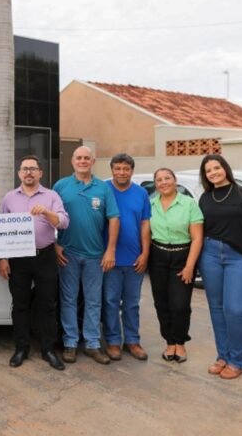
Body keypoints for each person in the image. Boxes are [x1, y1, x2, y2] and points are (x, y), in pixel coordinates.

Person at [198, 154, 242, 379]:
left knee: (235, 310)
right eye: (209, 171)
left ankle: (237, 360)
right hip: (210, 256)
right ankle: (223, 356)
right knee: (216, 309)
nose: (214, 173)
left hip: (240, 257)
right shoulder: (205, 198)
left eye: (217, 168)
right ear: (205, 175)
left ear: (225, 168)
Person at [0, 155, 68, 371]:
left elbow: (64, 222)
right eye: (25, 169)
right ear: (19, 173)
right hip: (18, 258)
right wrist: (2, 258)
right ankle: (21, 348)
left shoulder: (51, 196)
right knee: (20, 304)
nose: (28, 172)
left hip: (45, 255)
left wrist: (47, 212)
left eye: (33, 169)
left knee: (47, 304)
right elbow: (0, 230)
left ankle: (48, 349)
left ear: (40, 173)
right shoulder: (9, 198)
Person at [53, 146, 119, 365]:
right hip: (67, 253)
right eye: (78, 158)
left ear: (93, 161)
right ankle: (70, 343)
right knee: (68, 299)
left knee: (93, 301)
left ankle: (92, 344)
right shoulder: (61, 186)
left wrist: (110, 249)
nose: (82, 161)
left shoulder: (103, 188)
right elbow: (51, 217)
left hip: (95, 256)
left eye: (86, 158)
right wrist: (55, 244)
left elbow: (114, 219)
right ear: (72, 161)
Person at [148, 168, 203, 364]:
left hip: (182, 256)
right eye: (159, 180)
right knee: (161, 302)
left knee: (179, 304)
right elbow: (146, 233)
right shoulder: (150, 205)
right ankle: (169, 341)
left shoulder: (189, 204)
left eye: (167, 178)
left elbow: (197, 238)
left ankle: (180, 342)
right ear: (155, 184)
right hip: (158, 256)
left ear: (175, 180)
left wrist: (190, 266)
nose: (163, 182)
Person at [103, 154, 151, 361]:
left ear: (132, 170)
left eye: (126, 168)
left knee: (132, 303)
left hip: (134, 259)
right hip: (109, 259)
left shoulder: (141, 193)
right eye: (118, 168)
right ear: (111, 169)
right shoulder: (103, 189)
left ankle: (132, 341)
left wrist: (145, 253)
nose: (122, 172)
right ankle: (113, 341)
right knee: (111, 301)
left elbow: (145, 224)